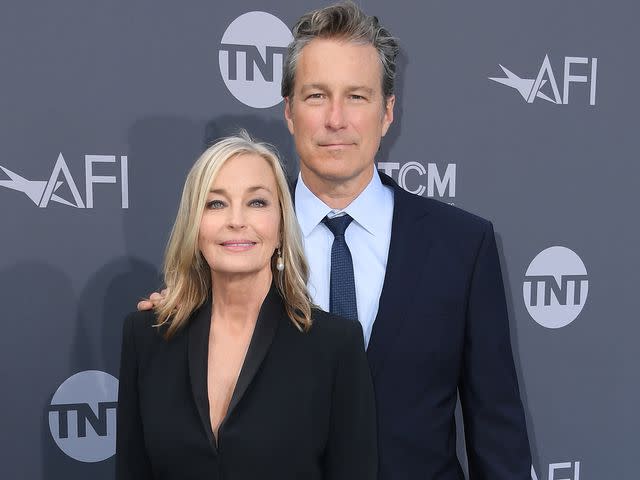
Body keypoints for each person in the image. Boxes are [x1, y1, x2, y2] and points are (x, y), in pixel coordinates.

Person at [139, 2, 532, 478]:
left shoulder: (462, 247)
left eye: (357, 97)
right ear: (288, 110)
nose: (336, 119)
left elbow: (498, 436)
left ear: (388, 112)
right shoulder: (239, 242)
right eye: (316, 96)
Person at [117, 132, 377, 479]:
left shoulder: (335, 346)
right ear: (194, 225)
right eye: (216, 203)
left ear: (282, 223)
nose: (236, 220)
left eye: (256, 202)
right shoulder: (146, 336)